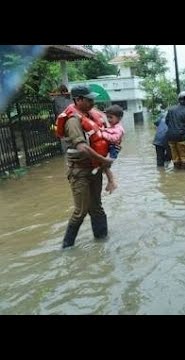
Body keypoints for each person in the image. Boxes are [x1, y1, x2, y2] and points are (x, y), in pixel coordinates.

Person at [56, 85, 113, 248]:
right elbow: (82, 147)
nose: (92, 102)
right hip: (79, 171)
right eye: (89, 99)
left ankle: (102, 243)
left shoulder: (90, 115)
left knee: (96, 208)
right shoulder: (73, 120)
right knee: (80, 211)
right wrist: (103, 159)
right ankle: (67, 248)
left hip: (94, 169)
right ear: (78, 100)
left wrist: (106, 167)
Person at [100, 104, 125, 193]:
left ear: (119, 118)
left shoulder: (119, 129)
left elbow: (114, 138)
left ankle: (112, 182)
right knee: (104, 166)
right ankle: (110, 183)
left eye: (111, 117)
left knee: (106, 165)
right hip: (111, 148)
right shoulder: (113, 126)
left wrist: (103, 134)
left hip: (113, 149)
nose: (109, 120)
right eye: (108, 117)